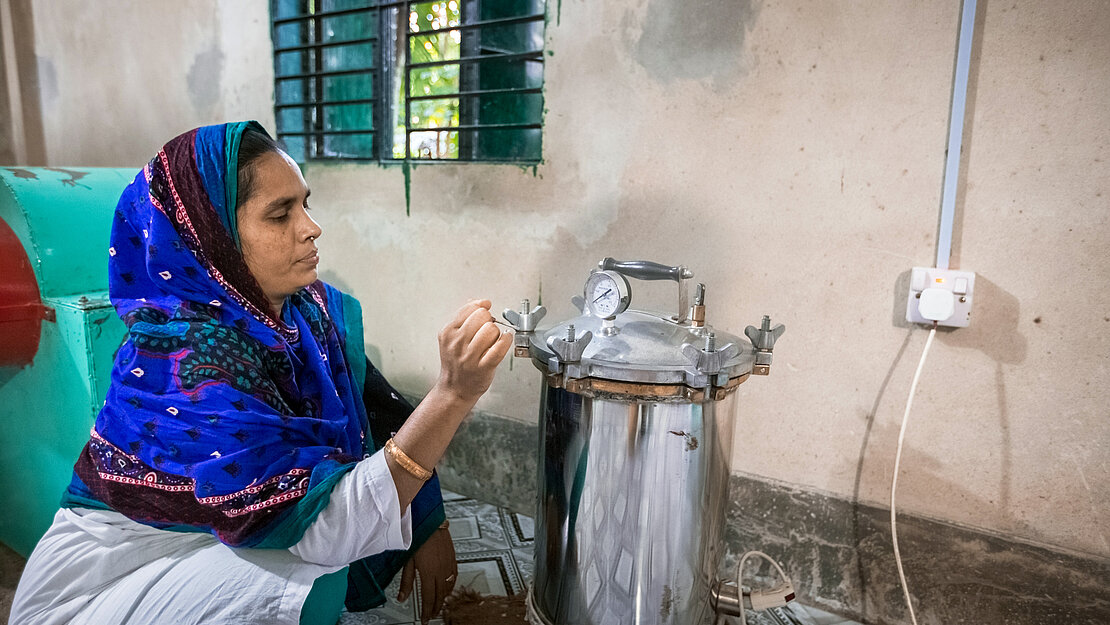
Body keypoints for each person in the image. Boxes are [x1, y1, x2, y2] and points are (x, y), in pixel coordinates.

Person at [8, 121, 512, 625]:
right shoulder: (182, 364)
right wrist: (453, 393)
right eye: (280, 214)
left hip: (190, 550)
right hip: (94, 590)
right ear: (214, 238)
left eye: (305, 203)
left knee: (305, 537)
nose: (311, 227)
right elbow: (330, 527)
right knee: (311, 564)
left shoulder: (299, 314)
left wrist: (428, 520)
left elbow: (374, 407)